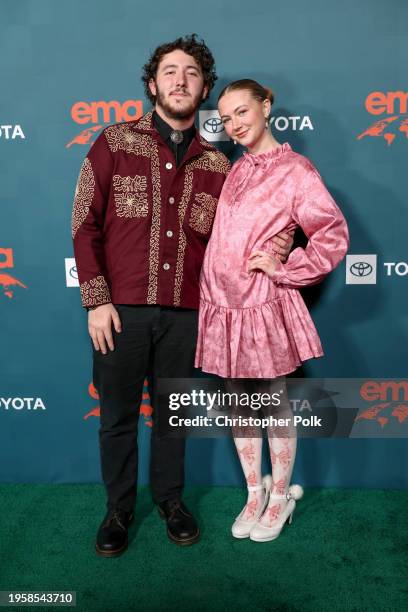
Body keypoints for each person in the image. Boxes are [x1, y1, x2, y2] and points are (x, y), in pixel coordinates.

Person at [72, 38, 292, 556]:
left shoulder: (220, 165)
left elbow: (251, 229)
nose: (179, 80)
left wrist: (280, 242)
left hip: (189, 314)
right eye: (169, 72)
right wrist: (96, 299)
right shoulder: (114, 142)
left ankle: (171, 501)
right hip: (119, 312)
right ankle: (119, 510)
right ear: (152, 85)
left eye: (191, 73)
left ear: (205, 89)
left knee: (174, 418)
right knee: (118, 417)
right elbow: (85, 223)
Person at [195, 79, 349, 542]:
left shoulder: (297, 170)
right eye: (226, 118)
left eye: (242, 112)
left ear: (266, 107)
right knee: (241, 406)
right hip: (221, 305)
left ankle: (279, 497)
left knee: (272, 405)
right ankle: (253, 493)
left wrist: (285, 267)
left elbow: (331, 234)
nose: (235, 124)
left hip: (262, 304)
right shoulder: (235, 168)